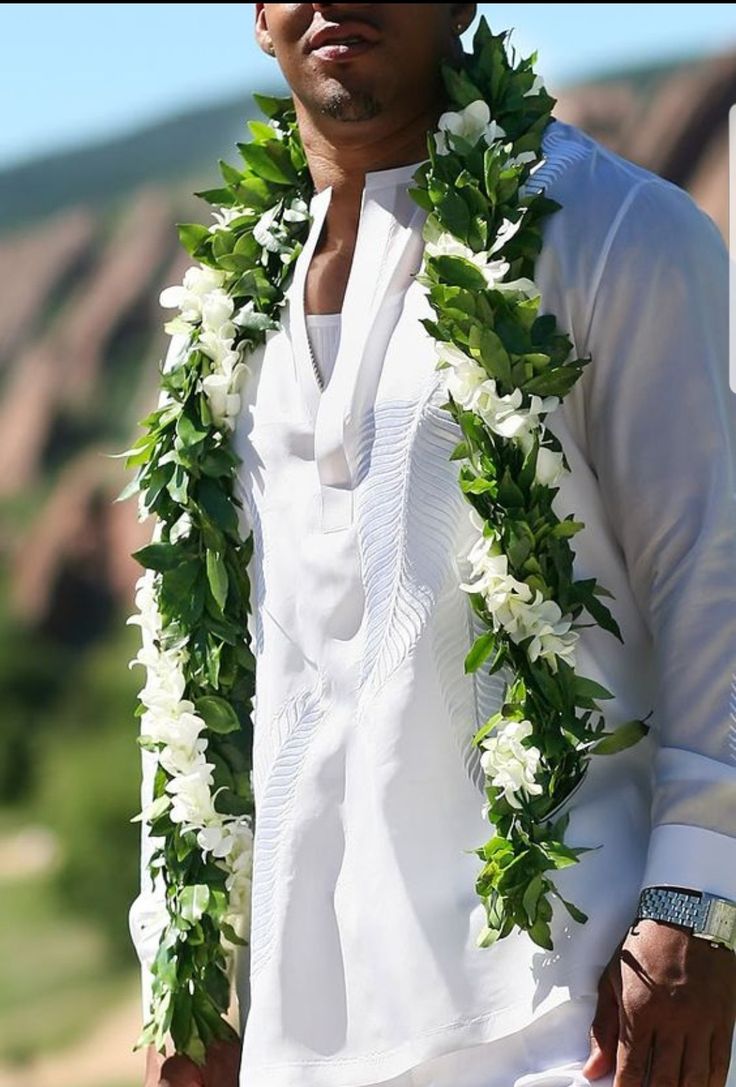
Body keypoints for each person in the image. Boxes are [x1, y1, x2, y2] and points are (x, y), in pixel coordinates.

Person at [129, 4, 736, 1086]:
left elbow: (714, 580)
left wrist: (700, 898)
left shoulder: (612, 232)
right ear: (258, 13)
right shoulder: (224, 307)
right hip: (297, 1038)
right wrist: (186, 974)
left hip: (573, 1018)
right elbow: (209, 657)